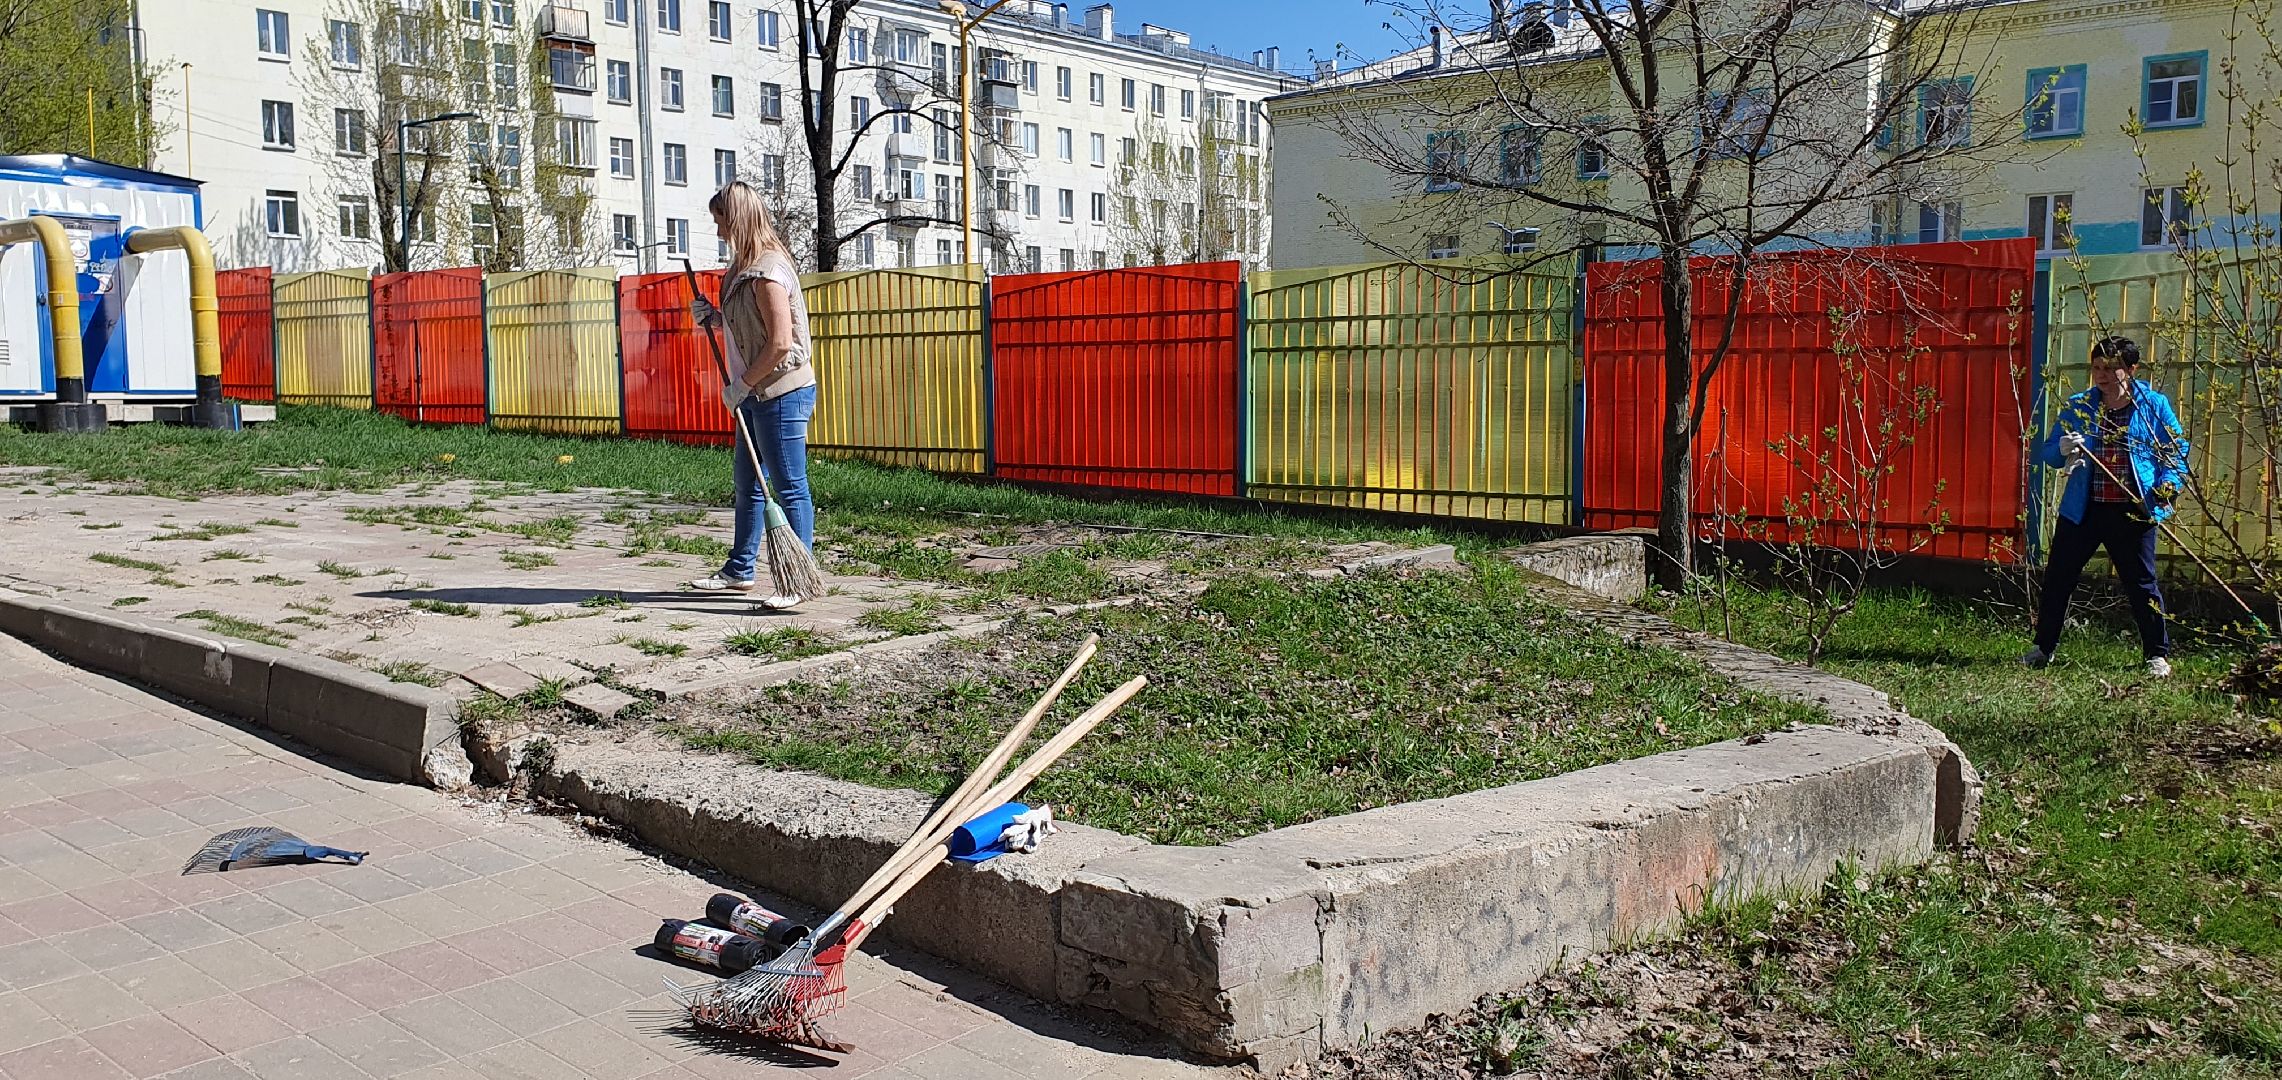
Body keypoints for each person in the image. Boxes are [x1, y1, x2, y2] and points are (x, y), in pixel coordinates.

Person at [684, 181, 818, 609]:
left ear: (736, 218)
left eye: (721, 222)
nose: (719, 231)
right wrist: (715, 317)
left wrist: (742, 385)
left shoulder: (768, 271)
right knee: (749, 485)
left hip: (781, 391)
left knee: (789, 486)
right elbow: (751, 330)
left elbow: (780, 343)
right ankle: (740, 570)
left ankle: (798, 580)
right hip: (754, 395)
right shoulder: (741, 269)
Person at [2023, 335, 2189, 678]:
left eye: (2111, 369)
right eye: (2097, 368)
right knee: (2059, 578)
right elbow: (2050, 453)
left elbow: (2176, 451)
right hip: (2084, 509)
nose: (2102, 375)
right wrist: (2065, 448)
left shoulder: (2152, 405)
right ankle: (2044, 648)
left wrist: (2167, 486)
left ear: (2131, 369)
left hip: (2133, 509)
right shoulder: (2081, 404)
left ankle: (2156, 655)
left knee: (2141, 583)